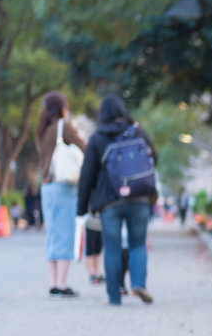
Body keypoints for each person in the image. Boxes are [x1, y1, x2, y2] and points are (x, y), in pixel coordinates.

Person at [77, 95, 158, 305]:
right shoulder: (137, 131)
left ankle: (114, 295)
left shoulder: (97, 138)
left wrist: (81, 208)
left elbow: (86, 176)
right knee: (138, 244)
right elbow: (154, 158)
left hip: (109, 200)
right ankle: (139, 283)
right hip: (139, 197)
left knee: (111, 247)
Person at [36, 91, 86, 298]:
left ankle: (53, 283)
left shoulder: (42, 130)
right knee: (65, 234)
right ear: (62, 108)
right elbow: (85, 147)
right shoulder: (63, 126)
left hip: (46, 188)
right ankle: (62, 284)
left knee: (52, 234)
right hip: (62, 187)